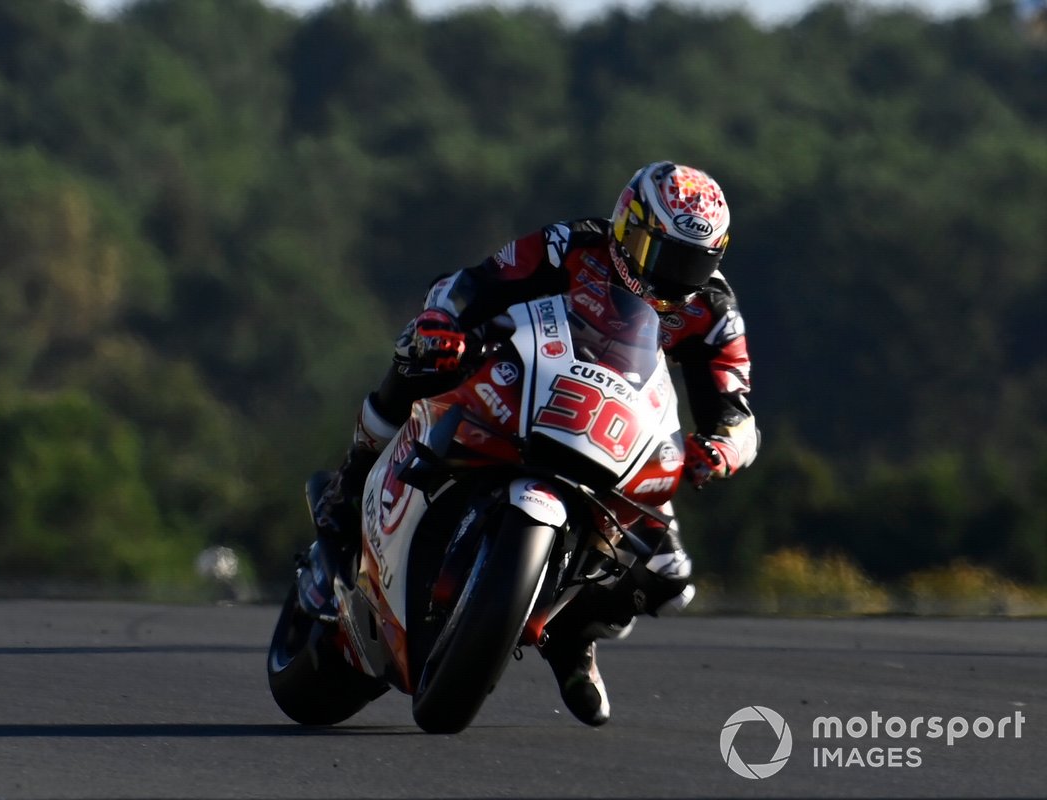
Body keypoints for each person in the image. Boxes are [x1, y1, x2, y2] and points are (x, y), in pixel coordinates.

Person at [312, 162, 759, 726]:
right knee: (419, 356)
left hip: (620, 425)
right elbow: (474, 282)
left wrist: (719, 448)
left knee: (670, 577)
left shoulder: (714, 310)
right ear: (629, 226)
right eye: (664, 254)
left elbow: (738, 414)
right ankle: (352, 477)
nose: (676, 275)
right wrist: (441, 321)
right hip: (531, 372)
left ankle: (573, 635)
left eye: (695, 262)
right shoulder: (571, 244)